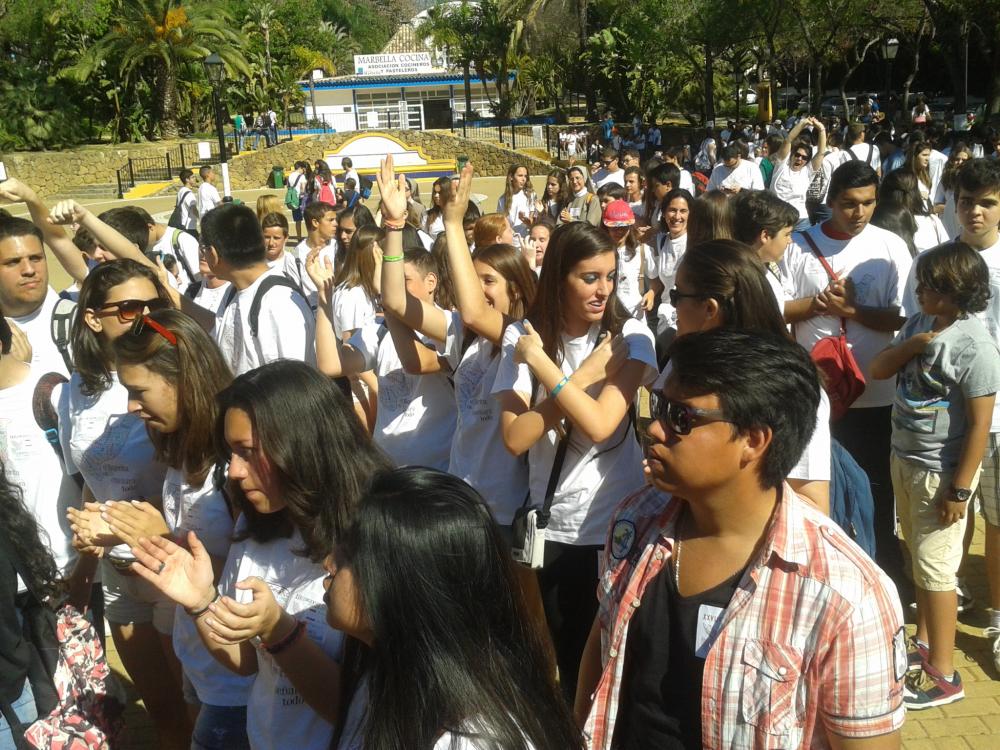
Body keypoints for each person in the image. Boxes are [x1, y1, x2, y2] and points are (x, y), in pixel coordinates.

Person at [577, 328, 905, 749]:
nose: (655, 430)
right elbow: (603, 642)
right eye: (656, 407)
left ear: (753, 440)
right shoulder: (635, 521)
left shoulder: (846, 596)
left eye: (681, 418)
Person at [129, 360, 392, 750]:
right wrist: (202, 603)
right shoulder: (258, 525)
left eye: (247, 452)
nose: (233, 471)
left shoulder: (378, 537)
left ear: (301, 442)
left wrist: (280, 632)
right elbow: (250, 663)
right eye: (230, 453)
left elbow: (352, 710)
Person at [492, 220, 657, 702]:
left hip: (622, 526)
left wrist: (547, 368)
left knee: (624, 664)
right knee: (571, 663)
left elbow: (602, 424)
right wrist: (580, 375)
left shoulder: (631, 335)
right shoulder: (521, 338)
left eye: (610, 275)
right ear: (559, 275)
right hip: (560, 529)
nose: (603, 289)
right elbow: (515, 437)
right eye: (590, 277)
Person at [83, 308, 254, 748]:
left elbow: (255, 579)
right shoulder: (181, 455)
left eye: (139, 391)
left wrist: (160, 540)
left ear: (184, 381)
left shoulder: (236, 468)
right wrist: (119, 528)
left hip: (240, 684)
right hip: (201, 665)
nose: (131, 407)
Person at [329, 466, 585, 749]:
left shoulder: (472, 740)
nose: (329, 564)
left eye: (349, 555)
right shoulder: (380, 681)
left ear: (401, 585)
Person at [58, 259, 191, 748]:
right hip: (116, 574)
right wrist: (85, 565)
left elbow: (191, 478)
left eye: (153, 306)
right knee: (159, 708)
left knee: (191, 699)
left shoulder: (170, 372)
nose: (145, 317)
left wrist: (125, 529)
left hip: (169, 564)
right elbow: (94, 478)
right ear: (92, 318)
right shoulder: (77, 388)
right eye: (131, 307)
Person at [871, 242, 1000, 709]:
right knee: (920, 562)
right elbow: (878, 369)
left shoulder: (975, 345)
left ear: (955, 290)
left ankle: (945, 675)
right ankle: (925, 646)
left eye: (929, 284)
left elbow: (980, 425)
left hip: (940, 475)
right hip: (904, 459)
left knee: (938, 571)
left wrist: (961, 489)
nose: (920, 289)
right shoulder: (920, 324)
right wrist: (912, 344)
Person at [782, 160, 913, 596]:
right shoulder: (798, 246)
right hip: (816, 395)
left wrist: (852, 312)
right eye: (848, 204)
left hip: (876, 394)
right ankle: (825, 577)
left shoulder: (890, 246)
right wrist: (819, 305)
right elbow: (778, 309)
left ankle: (880, 575)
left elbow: (901, 319)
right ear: (830, 201)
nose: (859, 212)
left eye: (868, 203)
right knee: (818, 489)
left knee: (876, 487)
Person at [900, 159, 1000, 670]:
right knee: (934, 537)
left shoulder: (976, 334)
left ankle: (980, 638)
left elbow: (980, 417)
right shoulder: (934, 277)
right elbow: (893, 348)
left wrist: (960, 486)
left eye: (987, 202)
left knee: (987, 527)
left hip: (977, 431)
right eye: (966, 201)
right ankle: (931, 628)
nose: (975, 211)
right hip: (927, 441)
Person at [310, 244, 457, 470]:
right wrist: (324, 298)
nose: (395, 290)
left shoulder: (449, 326)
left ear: (431, 282)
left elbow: (418, 363)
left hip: (436, 472)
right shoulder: (379, 327)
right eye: (393, 283)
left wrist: (386, 297)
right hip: (387, 468)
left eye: (403, 281)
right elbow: (331, 365)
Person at [201, 203, 315, 375]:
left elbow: (292, 387)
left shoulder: (278, 303)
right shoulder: (234, 291)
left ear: (214, 253)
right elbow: (215, 325)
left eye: (204, 248)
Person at [732, 189, 800, 314]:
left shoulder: (765, 268)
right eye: (787, 234)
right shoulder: (745, 284)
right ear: (765, 236)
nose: (790, 241)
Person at [769, 117, 827, 230]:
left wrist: (821, 129)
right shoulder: (781, 166)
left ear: (807, 161)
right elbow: (788, 140)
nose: (800, 159)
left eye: (804, 158)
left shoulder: (808, 172)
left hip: (801, 220)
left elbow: (821, 152)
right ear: (792, 155)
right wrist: (803, 123)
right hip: (778, 218)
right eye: (797, 155)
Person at [601, 200, 656, 320]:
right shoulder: (599, 253)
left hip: (635, 316)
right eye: (613, 227)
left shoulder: (642, 251)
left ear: (630, 226)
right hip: (607, 316)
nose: (619, 231)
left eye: (623, 227)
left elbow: (656, 281)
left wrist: (651, 293)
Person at [293, 201, 337, 308]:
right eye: (331, 220)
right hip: (313, 315)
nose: (336, 224)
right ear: (315, 223)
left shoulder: (338, 247)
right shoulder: (296, 255)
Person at [934, 143, 973, 239]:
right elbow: (936, 206)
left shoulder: (975, 181)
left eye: (964, 160)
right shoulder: (945, 180)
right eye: (957, 159)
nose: (960, 162)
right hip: (948, 226)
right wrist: (951, 207)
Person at [497, 163, 536, 240]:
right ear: (511, 177)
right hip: (511, 241)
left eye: (525, 176)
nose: (523, 179)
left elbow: (534, 221)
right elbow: (502, 223)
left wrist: (528, 221)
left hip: (528, 239)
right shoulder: (502, 200)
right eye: (520, 175)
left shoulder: (531, 195)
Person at [176, 169, 199, 234]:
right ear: (187, 179)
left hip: (182, 224)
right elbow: (193, 209)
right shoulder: (189, 194)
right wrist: (201, 218)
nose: (195, 179)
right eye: (192, 177)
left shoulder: (181, 191)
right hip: (189, 226)